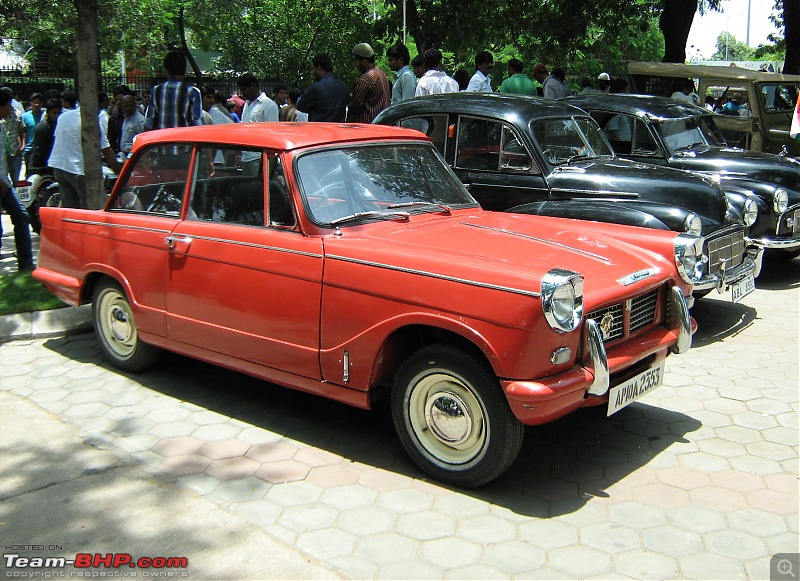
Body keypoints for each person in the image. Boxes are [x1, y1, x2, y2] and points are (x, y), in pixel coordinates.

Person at [47, 90, 121, 209]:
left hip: (59, 168)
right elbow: (107, 151)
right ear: (99, 106)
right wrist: (121, 173)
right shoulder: (92, 123)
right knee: (91, 210)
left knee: (71, 211)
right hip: (78, 170)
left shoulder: (63, 116)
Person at [0, 90, 35, 271]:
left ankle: (26, 264)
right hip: (1, 182)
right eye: (8, 106)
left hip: (4, 182)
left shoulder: (2, 124)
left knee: (21, 217)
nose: (10, 109)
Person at [144, 50, 203, 130]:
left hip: (161, 140)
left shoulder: (156, 90)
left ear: (166, 71)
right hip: (184, 140)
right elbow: (197, 124)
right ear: (185, 71)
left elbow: (148, 123)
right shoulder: (192, 92)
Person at [296, 53, 350, 122]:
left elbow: (300, 105)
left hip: (319, 130)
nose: (312, 72)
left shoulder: (316, 88)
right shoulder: (344, 87)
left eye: (312, 69)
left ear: (318, 69)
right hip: (338, 130)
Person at [346, 43, 391, 123]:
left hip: (367, 126)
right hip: (382, 123)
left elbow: (355, 107)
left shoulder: (365, 79)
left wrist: (348, 123)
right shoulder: (381, 73)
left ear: (363, 61)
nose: (355, 64)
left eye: (356, 61)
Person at [29, 98, 62, 175]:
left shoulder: (59, 125)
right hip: (42, 166)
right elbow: (39, 150)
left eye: (59, 113)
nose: (57, 116)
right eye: (54, 113)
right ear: (48, 112)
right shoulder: (42, 127)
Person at [1, 87, 25, 184]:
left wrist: (22, 145)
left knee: (15, 180)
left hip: (14, 151)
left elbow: (22, 130)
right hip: (4, 154)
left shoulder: (17, 114)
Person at [21, 93, 44, 171]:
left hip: (42, 148)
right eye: (35, 102)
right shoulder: (24, 116)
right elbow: (22, 132)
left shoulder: (45, 116)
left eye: (39, 102)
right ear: (30, 103)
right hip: (29, 149)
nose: (37, 105)